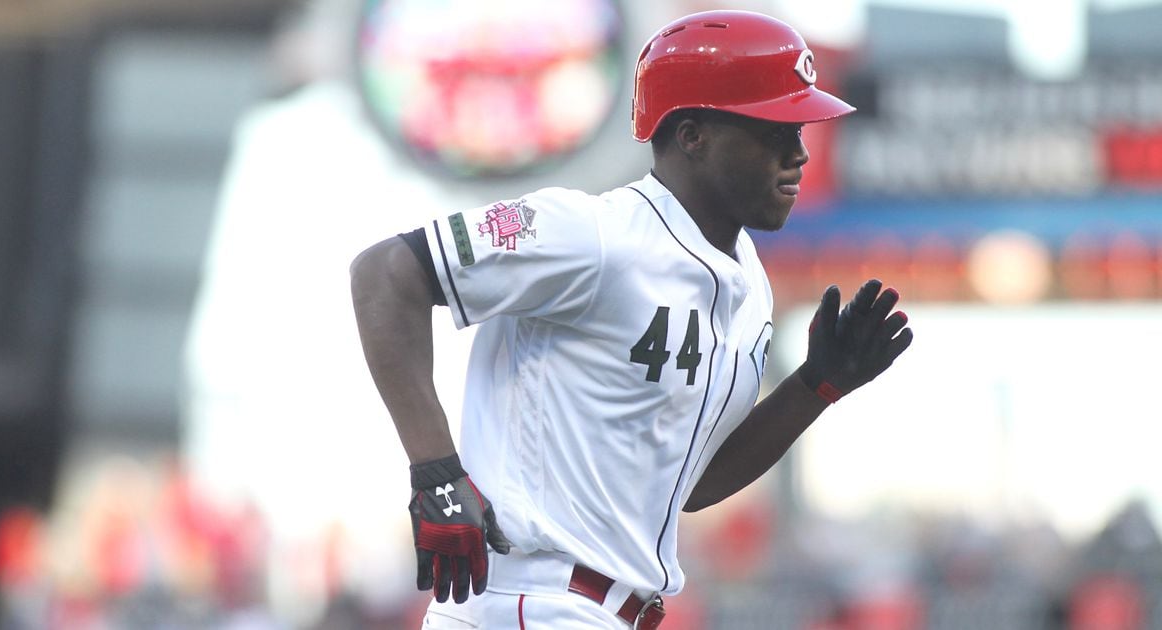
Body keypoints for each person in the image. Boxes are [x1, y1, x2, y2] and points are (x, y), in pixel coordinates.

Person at [349, 10, 913, 630]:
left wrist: (814, 389)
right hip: (528, 601)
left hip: (611, 613)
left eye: (799, 128)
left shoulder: (748, 285)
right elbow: (383, 274)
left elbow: (693, 485)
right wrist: (436, 471)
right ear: (692, 134)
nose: (799, 153)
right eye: (772, 129)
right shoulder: (589, 233)